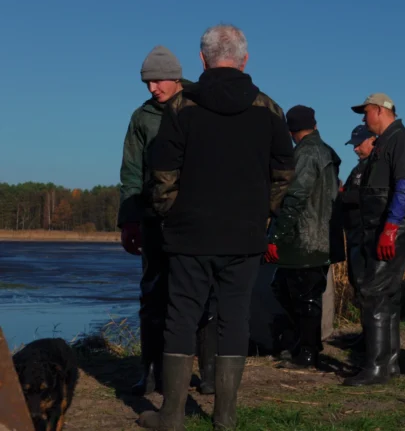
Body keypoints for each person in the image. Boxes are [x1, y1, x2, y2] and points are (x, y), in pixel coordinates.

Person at [139, 24, 295, 430]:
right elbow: (284, 172)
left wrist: (171, 213)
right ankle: (224, 417)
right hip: (243, 235)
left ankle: (171, 415)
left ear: (202, 60)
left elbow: (162, 171)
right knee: (234, 318)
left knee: (181, 316)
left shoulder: (181, 108)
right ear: (244, 60)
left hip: (189, 234)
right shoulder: (269, 110)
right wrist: (263, 213)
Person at [117, 46, 218, 397]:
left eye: (157, 81)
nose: (152, 89)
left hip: (196, 217)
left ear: (175, 77)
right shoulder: (141, 118)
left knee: (203, 294)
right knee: (153, 294)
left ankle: (208, 374)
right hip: (152, 218)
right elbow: (131, 171)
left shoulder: (201, 104)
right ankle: (152, 373)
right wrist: (129, 220)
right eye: (147, 82)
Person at [342, 93, 405, 387]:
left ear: (378, 110)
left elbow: (404, 187)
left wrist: (390, 228)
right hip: (380, 227)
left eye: (365, 114)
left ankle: (375, 368)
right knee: (387, 295)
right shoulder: (386, 143)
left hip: (389, 229)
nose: (364, 119)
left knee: (373, 292)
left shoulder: (402, 141)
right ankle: (389, 364)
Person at [265, 105, 342, 370]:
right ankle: (303, 345)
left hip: (305, 239)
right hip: (318, 236)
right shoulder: (327, 151)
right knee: (288, 290)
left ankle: (308, 353)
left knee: (304, 296)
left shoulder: (307, 153)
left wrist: (275, 234)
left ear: (291, 130)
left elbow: (296, 196)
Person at [340, 124, 377, 332]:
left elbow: (365, 195)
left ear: (372, 140)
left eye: (358, 144)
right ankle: (366, 333)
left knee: (366, 286)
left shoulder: (375, 167)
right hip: (353, 233)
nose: (355, 149)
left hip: (364, 234)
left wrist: (341, 195)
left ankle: (371, 337)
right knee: (357, 283)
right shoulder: (359, 168)